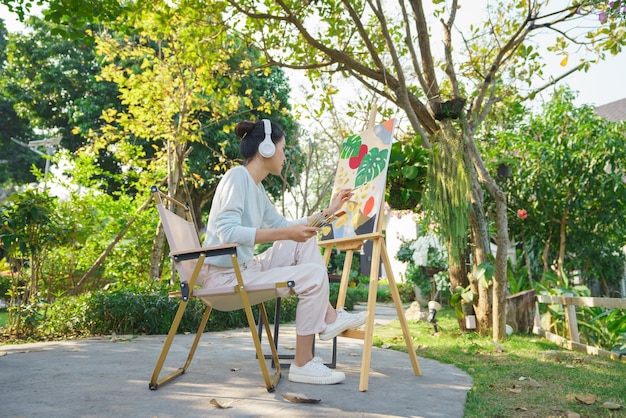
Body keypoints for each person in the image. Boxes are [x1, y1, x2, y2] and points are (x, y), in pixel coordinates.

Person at [201, 119, 367, 385]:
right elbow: (227, 233)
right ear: (266, 148)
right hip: (224, 277)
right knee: (313, 274)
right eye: (283, 148)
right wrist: (286, 234)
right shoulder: (236, 177)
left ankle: (328, 318)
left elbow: (283, 226)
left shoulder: (256, 187)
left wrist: (329, 211)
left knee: (305, 240)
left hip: (244, 268)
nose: (284, 155)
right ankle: (303, 361)